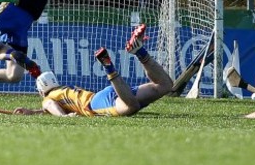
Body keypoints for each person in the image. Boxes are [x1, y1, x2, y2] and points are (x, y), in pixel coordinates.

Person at [13, 24, 174, 117]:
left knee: (131, 107)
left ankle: (108, 66)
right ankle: (139, 51)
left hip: (96, 104)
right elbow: (51, 108)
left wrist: (64, 118)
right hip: (105, 94)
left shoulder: (49, 98)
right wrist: (31, 112)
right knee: (165, 85)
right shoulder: (61, 92)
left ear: (41, 91)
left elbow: (50, 106)